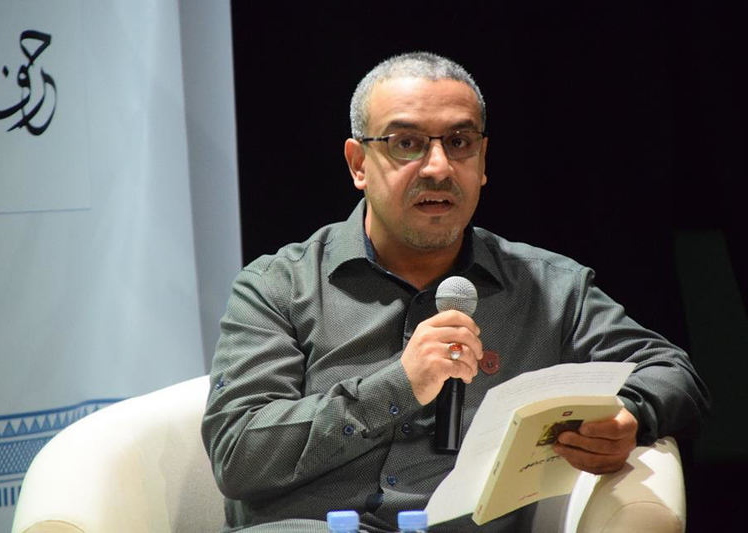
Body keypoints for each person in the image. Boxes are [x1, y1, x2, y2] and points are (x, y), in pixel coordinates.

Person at [201, 52, 709, 532]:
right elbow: (238, 456)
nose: (439, 167)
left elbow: (672, 372)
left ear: (482, 160)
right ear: (358, 164)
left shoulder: (549, 289)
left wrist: (630, 414)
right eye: (406, 143)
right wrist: (398, 386)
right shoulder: (278, 286)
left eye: (460, 142)